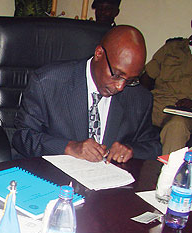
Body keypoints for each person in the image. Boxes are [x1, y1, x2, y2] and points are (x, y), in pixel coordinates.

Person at [12, 25, 161, 163]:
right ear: (99, 53)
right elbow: (23, 137)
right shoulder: (47, 83)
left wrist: (131, 150)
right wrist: (68, 147)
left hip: (109, 184)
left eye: (130, 80)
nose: (120, 86)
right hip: (56, 180)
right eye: (116, 75)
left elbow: (153, 146)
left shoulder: (140, 98)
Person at [140, 20, 192, 155]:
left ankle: (168, 175)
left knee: (177, 126)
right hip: (157, 104)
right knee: (123, 110)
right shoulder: (172, 48)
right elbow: (147, 77)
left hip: (186, 113)